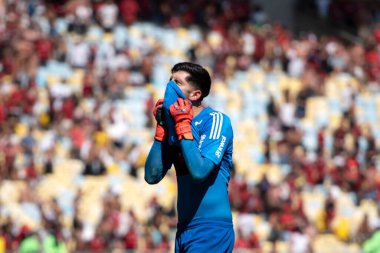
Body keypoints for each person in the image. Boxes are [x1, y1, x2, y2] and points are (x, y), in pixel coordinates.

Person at [145, 62, 235, 252]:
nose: (170, 86)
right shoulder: (175, 127)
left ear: (195, 95)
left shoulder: (215, 121)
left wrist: (183, 127)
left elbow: (200, 171)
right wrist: (162, 130)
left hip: (211, 229)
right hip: (184, 229)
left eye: (177, 82)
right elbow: (152, 176)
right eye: (170, 80)